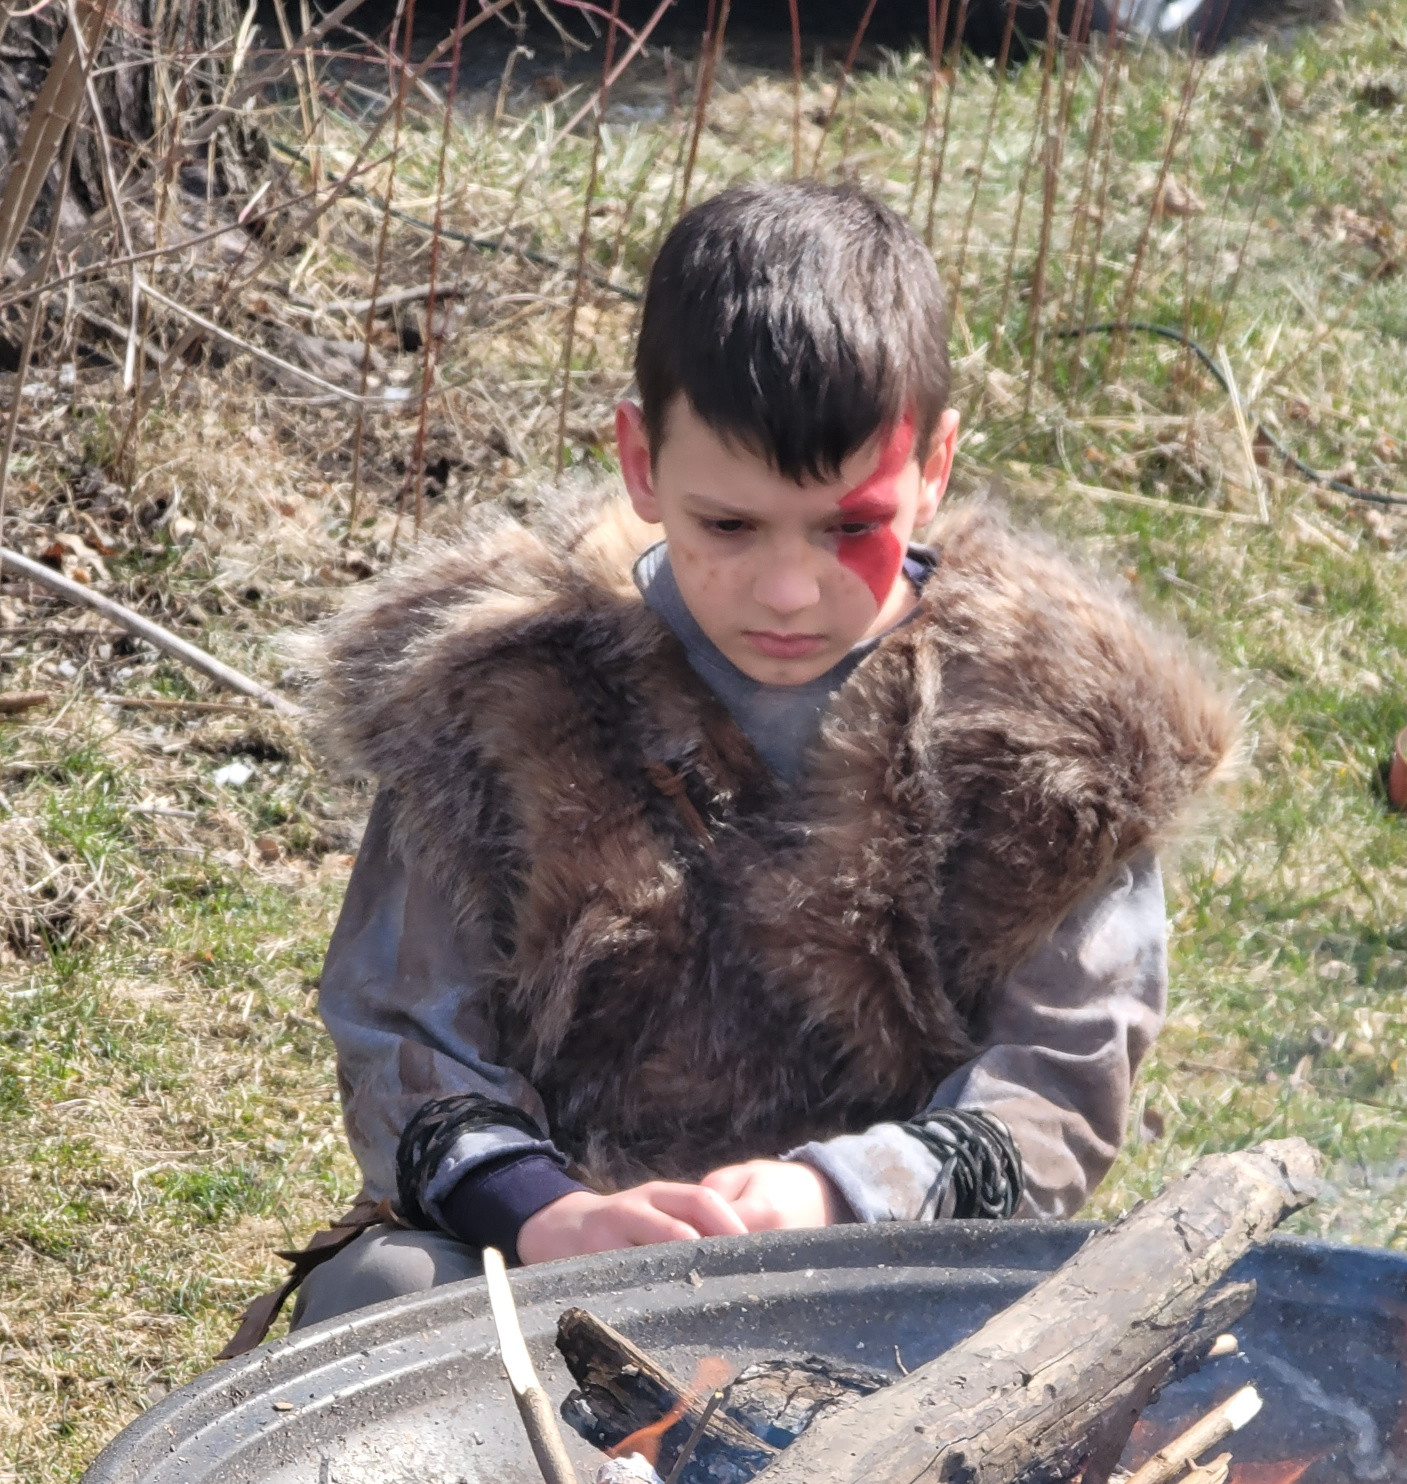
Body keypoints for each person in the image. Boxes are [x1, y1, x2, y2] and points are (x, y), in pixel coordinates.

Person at [239, 178, 1235, 1346]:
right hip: (557, 1280)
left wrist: (836, 1195)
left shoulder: (1059, 737)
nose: (788, 590)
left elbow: (1057, 1087)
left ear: (935, 469)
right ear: (641, 460)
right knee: (377, 1304)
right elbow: (406, 1038)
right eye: (729, 525)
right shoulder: (496, 689)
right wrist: (550, 1213)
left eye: (851, 526)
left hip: (893, 1291)